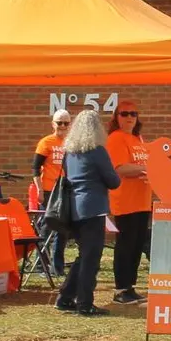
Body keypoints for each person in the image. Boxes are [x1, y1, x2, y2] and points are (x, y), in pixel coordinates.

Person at [56, 110, 121, 317]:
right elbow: (114, 181)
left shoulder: (69, 152)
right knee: (91, 258)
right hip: (92, 208)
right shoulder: (98, 151)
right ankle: (85, 303)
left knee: (84, 255)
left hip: (73, 208)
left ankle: (65, 297)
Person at [107, 100, 151, 305]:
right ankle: (120, 289)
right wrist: (147, 170)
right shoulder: (116, 138)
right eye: (124, 114)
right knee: (125, 246)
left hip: (143, 201)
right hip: (125, 201)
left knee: (136, 245)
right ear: (116, 117)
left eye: (133, 113)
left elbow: (145, 163)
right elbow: (120, 168)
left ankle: (130, 287)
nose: (130, 117)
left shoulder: (137, 139)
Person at [33, 109, 71, 273]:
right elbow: (35, 168)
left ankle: (57, 266)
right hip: (49, 190)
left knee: (62, 229)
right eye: (59, 122)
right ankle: (41, 264)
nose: (62, 126)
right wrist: (39, 190)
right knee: (46, 227)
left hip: (65, 190)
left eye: (66, 123)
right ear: (53, 124)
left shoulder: (72, 143)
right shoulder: (46, 142)